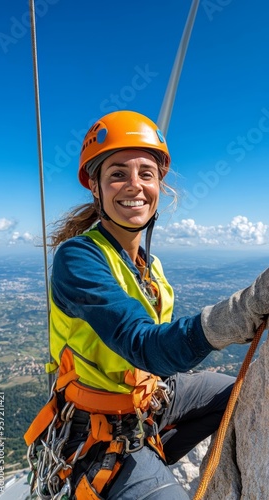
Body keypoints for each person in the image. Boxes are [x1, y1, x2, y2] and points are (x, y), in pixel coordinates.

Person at [24, 110, 269, 500]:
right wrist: (246, 308)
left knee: (237, 391)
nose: (134, 186)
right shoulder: (77, 259)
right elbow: (143, 345)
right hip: (95, 428)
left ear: (160, 185)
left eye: (146, 174)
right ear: (96, 188)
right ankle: (132, 474)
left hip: (144, 405)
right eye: (118, 173)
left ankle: (149, 462)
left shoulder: (149, 267)